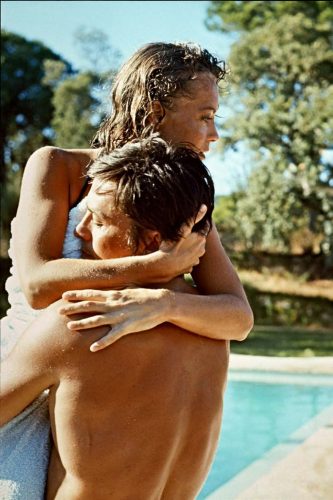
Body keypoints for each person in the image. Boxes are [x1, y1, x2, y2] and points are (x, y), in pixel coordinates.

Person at [1, 138, 230, 499]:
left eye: (100, 220)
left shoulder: (78, 322)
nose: (80, 229)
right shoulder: (213, 334)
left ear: (151, 241)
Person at [6, 41, 253, 355]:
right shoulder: (59, 167)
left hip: (100, 383)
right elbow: (37, 286)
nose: (215, 133)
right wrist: (152, 267)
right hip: (21, 365)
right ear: (156, 112)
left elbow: (239, 319)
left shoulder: (185, 201)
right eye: (206, 117)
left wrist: (165, 304)